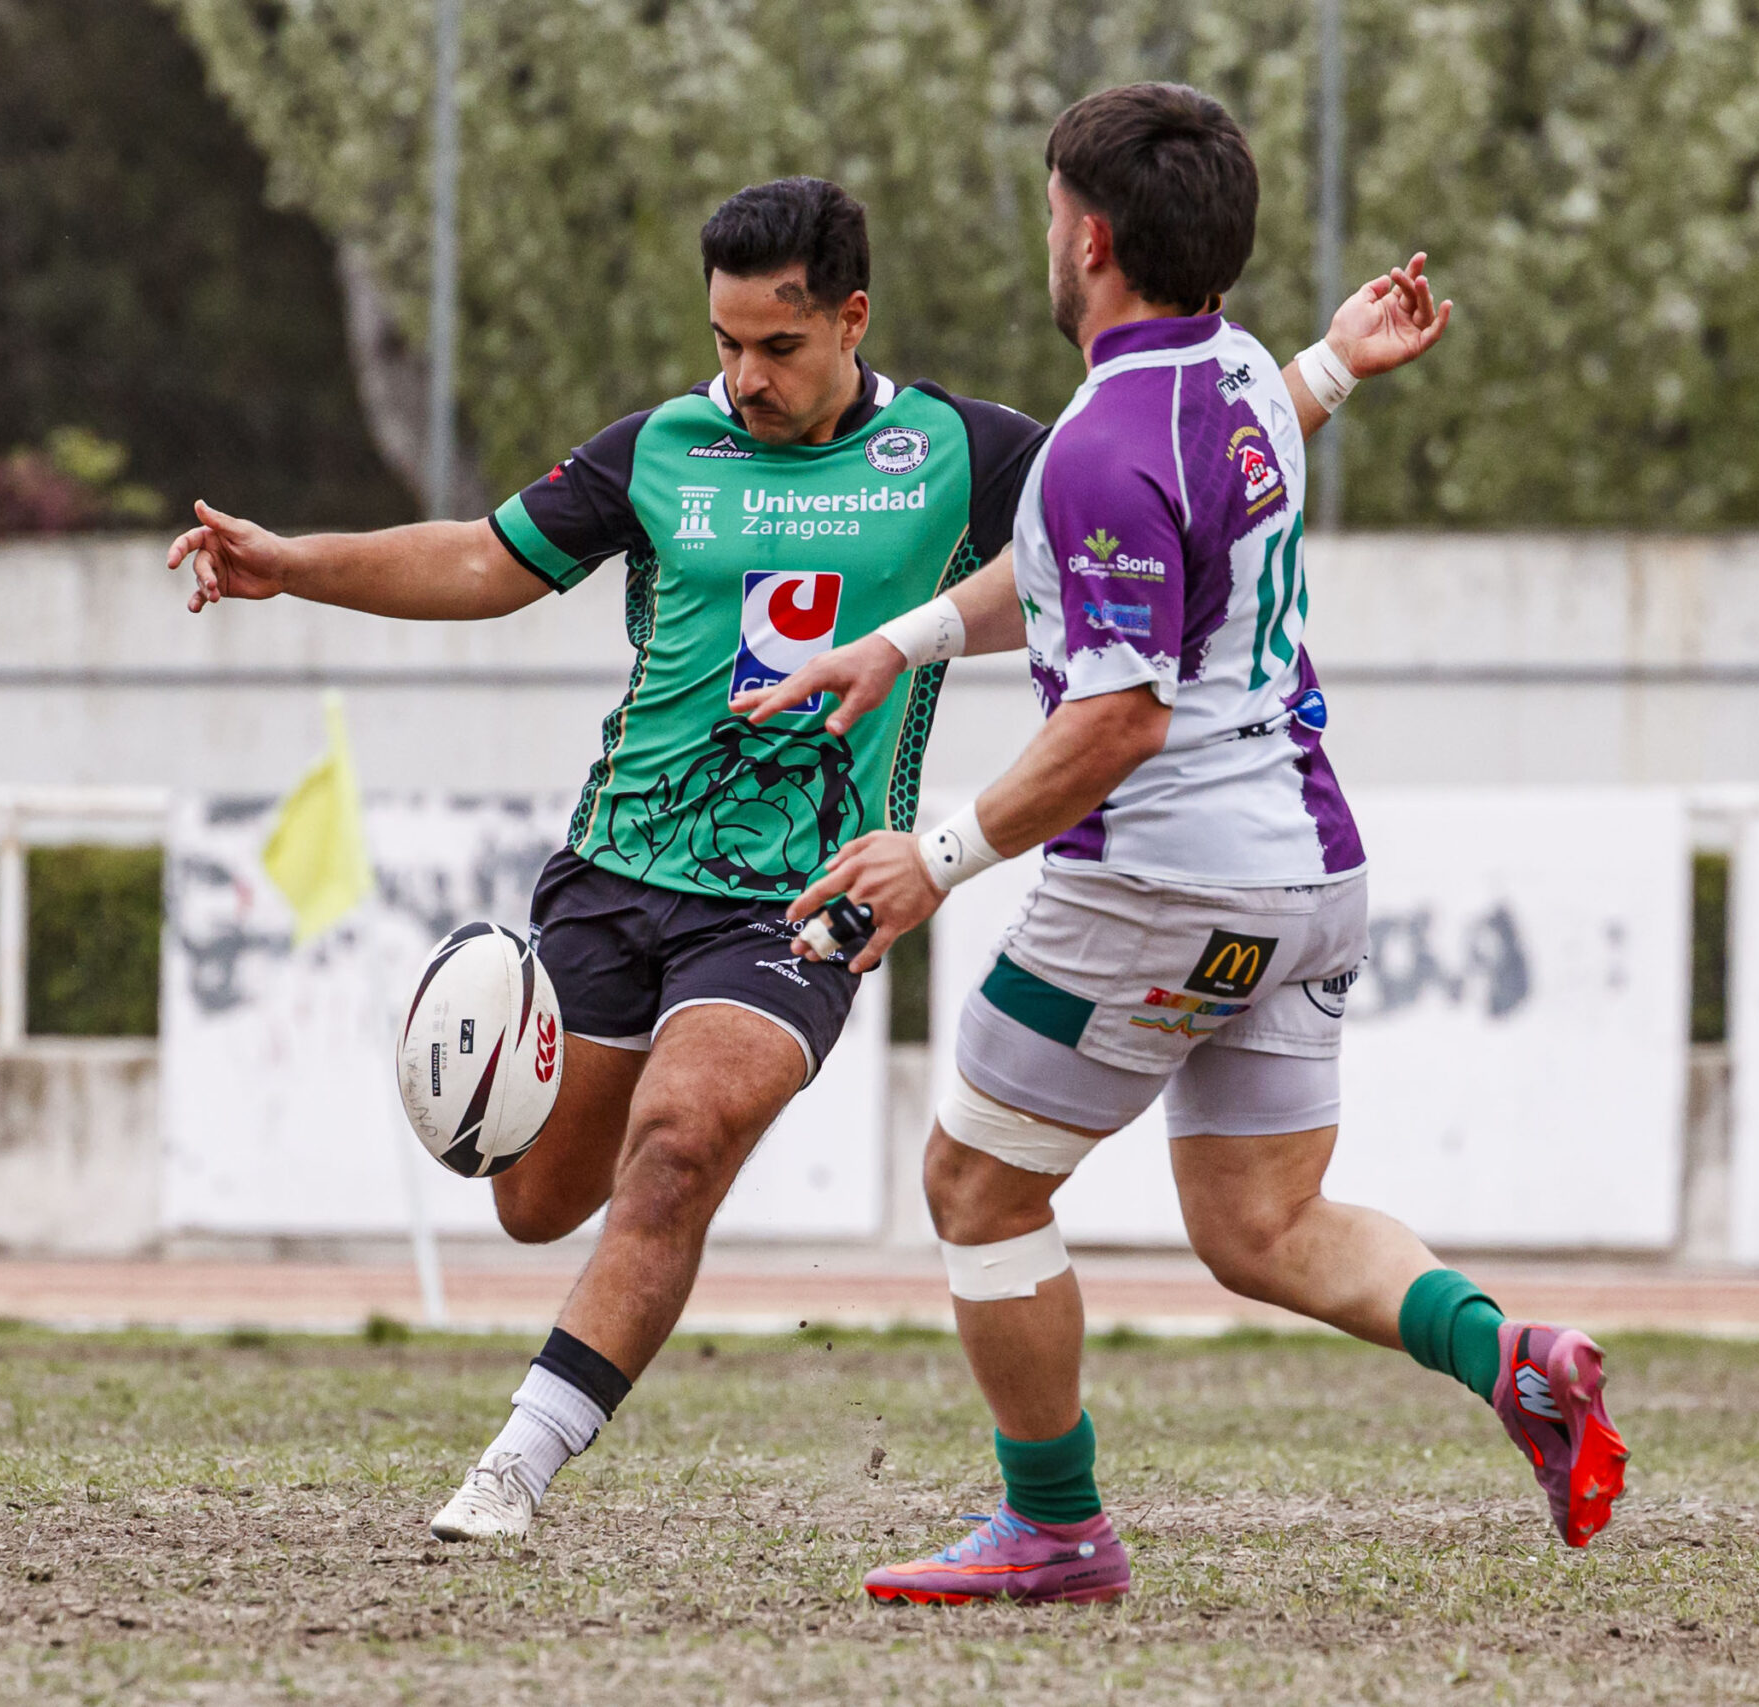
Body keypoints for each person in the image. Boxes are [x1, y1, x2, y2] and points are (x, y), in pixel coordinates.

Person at [167, 175, 1341, 1545]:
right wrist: (293, 563)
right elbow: (487, 562)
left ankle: (512, 1468)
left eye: (776, 347)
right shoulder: (662, 447)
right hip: (613, 873)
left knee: (677, 1150)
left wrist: (1322, 374)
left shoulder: (963, 452)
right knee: (538, 1204)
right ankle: (586, 1281)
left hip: (806, 897)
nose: (746, 376)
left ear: (851, 320)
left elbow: (1161, 469)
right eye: (726, 343)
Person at [738, 85, 1627, 1606]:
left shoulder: (1097, 442)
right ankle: (1515, 1361)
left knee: (978, 1188)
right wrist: (903, 640)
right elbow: (1105, 557)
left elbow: (1119, 720)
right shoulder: (1227, 378)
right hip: (1309, 876)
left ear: (1088, 239)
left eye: (1046, 211)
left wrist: (932, 856)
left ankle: (1054, 1530)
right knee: (1259, 1226)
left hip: (1160, 883)